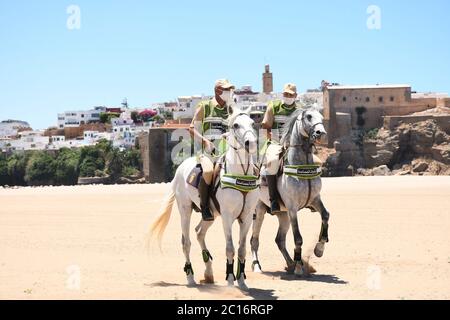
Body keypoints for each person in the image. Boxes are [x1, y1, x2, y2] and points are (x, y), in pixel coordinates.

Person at [189, 79, 235, 221]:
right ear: (217, 91)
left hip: (227, 152)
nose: (229, 92)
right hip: (206, 152)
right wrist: (205, 141)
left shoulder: (231, 108)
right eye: (226, 90)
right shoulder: (204, 106)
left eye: (230, 90)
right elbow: (191, 129)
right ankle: (204, 207)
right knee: (209, 171)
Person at [261, 83, 300, 214]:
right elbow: (265, 127)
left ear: (295, 96)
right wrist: (275, 139)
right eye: (285, 94)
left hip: (295, 145)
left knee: (312, 160)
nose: (287, 96)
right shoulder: (273, 106)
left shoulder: (300, 109)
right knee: (272, 163)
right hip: (276, 143)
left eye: (290, 94)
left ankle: (310, 197)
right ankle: (273, 200)